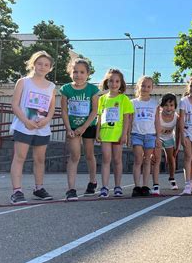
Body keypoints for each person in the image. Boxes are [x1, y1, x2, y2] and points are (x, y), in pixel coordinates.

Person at [9, 51, 56, 204]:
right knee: (20, 157)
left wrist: (47, 120)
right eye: (40, 63)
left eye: (46, 65)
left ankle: (39, 188)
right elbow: (15, 105)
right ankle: (17, 191)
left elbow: (51, 109)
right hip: (24, 127)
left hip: (41, 128)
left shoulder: (51, 86)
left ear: (50, 68)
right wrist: (25, 121)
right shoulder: (23, 82)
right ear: (33, 64)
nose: (42, 67)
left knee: (40, 159)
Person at [61, 58, 99, 201]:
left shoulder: (92, 89)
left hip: (88, 126)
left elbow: (95, 110)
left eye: (82, 72)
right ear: (70, 73)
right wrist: (69, 128)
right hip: (73, 128)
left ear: (88, 74)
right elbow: (64, 111)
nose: (78, 75)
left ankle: (93, 181)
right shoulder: (66, 89)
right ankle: (71, 189)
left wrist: (84, 127)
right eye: (75, 72)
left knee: (89, 154)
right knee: (75, 155)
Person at [96, 68, 134, 198]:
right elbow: (99, 117)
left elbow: (127, 118)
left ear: (121, 83)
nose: (114, 84)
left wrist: (125, 134)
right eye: (111, 81)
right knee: (106, 159)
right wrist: (97, 132)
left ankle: (118, 186)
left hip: (118, 134)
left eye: (117, 81)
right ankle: (104, 187)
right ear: (107, 82)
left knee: (117, 160)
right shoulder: (102, 99)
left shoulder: (124, 99)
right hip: (106, 134)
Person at [129, 76, 158, 197]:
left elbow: (157, 122)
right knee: (138, 160)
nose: (145, 88)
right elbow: (129, 120)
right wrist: (127, 135)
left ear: (152, 88)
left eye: (148, 86)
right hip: (137, 134)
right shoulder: (133, 103)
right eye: (143, 85)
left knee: (147, 161)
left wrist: (158, 137)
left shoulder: (154, 103)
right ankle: (137, 186)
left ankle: (145, 186)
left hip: (150, 135)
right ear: (138, 87)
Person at [154, 93, 180, 192]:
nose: (169, 108)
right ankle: (155, 184)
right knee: (157, 158)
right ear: (161, 106)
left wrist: (177, 147)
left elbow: (178, 133)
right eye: (166, 105)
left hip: (169, 138)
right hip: (158, 137)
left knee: (171, 158)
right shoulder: (158, 116)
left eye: (171, 105)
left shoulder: (176, 117)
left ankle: (172, 178)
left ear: (175, 106)